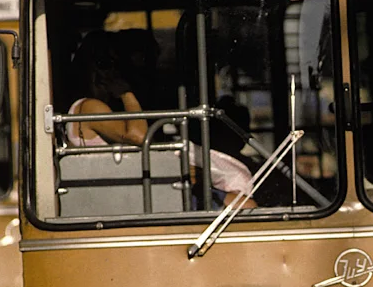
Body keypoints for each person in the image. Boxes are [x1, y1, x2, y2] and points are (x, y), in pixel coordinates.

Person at [65, 30, 258, 209]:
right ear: (96, 69)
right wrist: (125, 92)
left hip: (136, 187)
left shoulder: (93, 107)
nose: (118, 72)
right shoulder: (90, 106)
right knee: (247, 208)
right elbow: (139, 136)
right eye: (111, 65)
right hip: (132, 194)